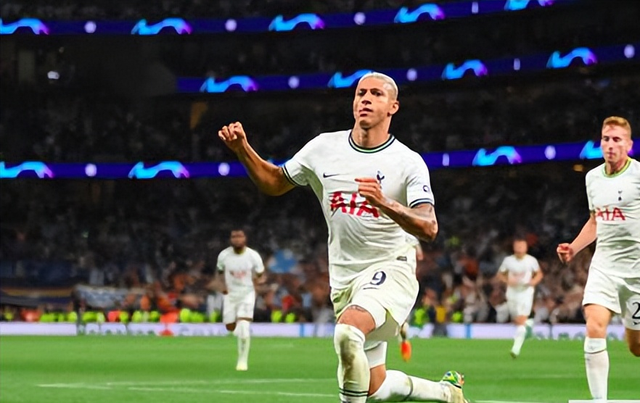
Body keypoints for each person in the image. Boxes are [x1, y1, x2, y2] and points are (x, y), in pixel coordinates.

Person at [219, 72, 468, 403]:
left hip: (391, 269)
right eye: (360, 93)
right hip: (345, 278)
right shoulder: (323, 148)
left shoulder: (408, 162)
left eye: (376, 94)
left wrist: (385, 203)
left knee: (348, 332)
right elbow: (275, 182)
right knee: (375, 388)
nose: (365, 99)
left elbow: (429, 226)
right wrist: (243, 150)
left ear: (393, 107)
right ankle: (446, 393)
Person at [556, 116, 640, 401]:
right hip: (604, 266)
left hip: (636, 272)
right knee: (594, 324)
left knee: (636, 347)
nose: (610, 145)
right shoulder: (592, 178)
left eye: (617, 139)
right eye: (606, 139)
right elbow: (595, 221)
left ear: (629, 144)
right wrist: (573, 248)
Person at [216, 228, 265, 371]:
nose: (237, 239)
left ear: (245, 238)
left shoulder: (253, 255)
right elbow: (219, 272)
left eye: (240, 236)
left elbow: (260, 273)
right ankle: (236, 327)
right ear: (230, 239)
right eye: (234, 237)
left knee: (244, 326)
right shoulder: (224, 255)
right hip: (230, 295)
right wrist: (222, 286)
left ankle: (242, 361)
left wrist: (256, 283)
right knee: (230, 326)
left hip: (246, 294)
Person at [495, 237, 543, 358]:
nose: (520, 249)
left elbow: (539, 274)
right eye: (518, 246)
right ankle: (529, 325)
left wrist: (533, 282)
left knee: (521, 320)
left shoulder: (531, 260)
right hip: (512, 292)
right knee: (517, 320)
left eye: (522, 246)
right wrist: (507, 281)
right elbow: (500, 274)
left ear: (526, 248)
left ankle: (516, 348)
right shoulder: (508, 261)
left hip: (526, 293)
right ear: (514, 247)